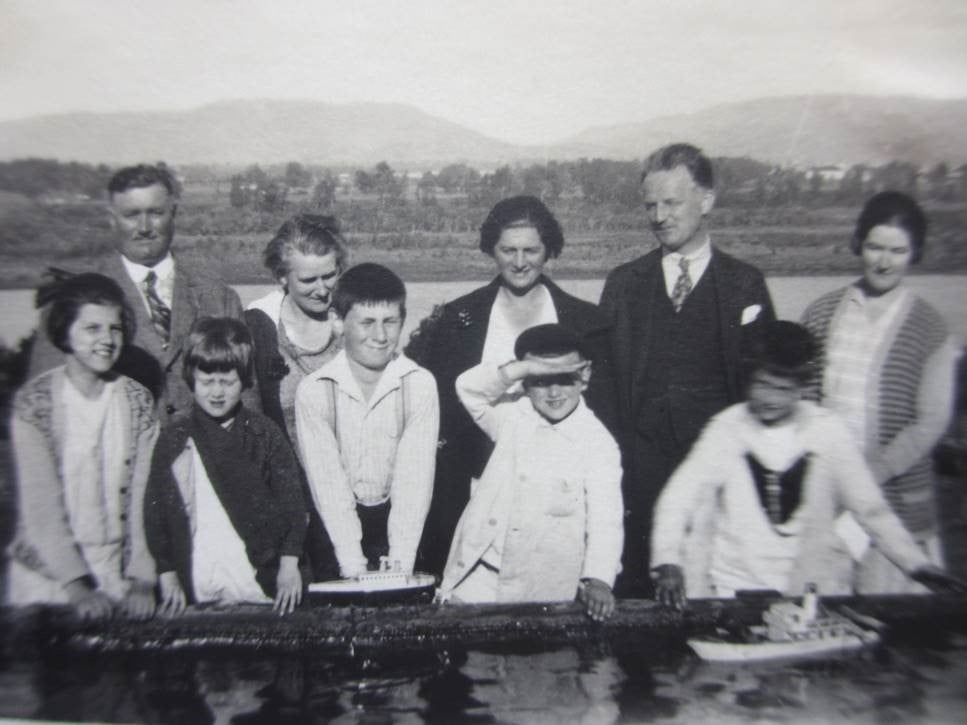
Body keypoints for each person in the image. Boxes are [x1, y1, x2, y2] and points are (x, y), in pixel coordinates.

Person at [650, 321, 961, 608]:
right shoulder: (725, 429)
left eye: (783, 389)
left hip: (809, 591)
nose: (770, 398)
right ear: (747, 378)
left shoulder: (828, 431)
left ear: (802, 388)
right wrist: (668, 561)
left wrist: (916, 564)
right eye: (762, 384)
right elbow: (678, 499)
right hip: (732, 586)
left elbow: (869, 508)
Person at [405, 195, 616, 576]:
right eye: (508, 250)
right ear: (492, 249)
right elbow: (446, 411)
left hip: (558, 495)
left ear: (548, 249)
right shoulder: (458, 318)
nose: (519, 262)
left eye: (531, 250)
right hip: (477, 487)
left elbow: (601, 415)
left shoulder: (586, 321)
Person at [599, 143, 776, 596]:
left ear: (707, 200)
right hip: (639, 482)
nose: (659, 216)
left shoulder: (744, 284)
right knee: (639, 602)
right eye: (650, 205)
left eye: (672, 203)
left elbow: (761, 391)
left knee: (713, 596)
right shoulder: (623, 284)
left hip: (717, 480)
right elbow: (607, 389)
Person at [800, 191, 960, 594]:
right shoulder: (820, 313)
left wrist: (868, 475)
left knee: (892, 620)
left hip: (896, 506)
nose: (884, 261)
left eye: (897, 250)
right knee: (822, 614)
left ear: (914, 253)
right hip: (829, 503)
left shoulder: (929, 328)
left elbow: (931, 422)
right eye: (875, 247)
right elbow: (806, 403)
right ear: (858, 243)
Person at [28, 163, 256, 422]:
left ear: (173, 214)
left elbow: (247, 395)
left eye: (156, 213)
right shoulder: (73, 297)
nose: (144, 227)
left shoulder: (218, 296)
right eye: (131, 214)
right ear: (112, 219)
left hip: (208, 447)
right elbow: (42, 402)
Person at [437, 324, 623, 621]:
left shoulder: (598, 443)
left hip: (541, 586)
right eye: (540, 380)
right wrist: (520, 368)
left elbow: (606, 521)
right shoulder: (512, 415)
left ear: (585, 375)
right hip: (478, 576)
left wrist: (599, 580)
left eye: (565, 379)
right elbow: (468, 389)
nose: (553, 392)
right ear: (525, 382)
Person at [6, 273, 158, 620]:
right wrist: (76, 587)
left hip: (117, 577)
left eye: (115, 328)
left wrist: (142, 580)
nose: (106, 339)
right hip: (48, 581)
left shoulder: (137, 400)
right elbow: (41, 510)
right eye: (92, 328)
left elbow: (145, 496)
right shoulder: (35, 403)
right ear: (65, 331)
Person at [144, 317, 307, 615]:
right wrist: (167, 574)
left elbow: (293, 503)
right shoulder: (175, 438)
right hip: (198, 575)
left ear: (244, 381)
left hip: (259, 577)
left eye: (227, 382)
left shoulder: (264, 433)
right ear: (191, 379)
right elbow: (156, 514)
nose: (217, 393)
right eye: (207, 382)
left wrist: (289, 564)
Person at [295, 263, 439, 577]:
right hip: (334, 528)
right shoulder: (314, 391)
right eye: (367, 323)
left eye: (390, 322)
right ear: (337, 322)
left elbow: (413, 485)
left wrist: (400, 568)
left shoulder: (420, 384)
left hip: (402, 527)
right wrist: (353, 570)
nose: (380, 336)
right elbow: (329, 488)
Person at [245, 214, 346, 441]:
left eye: (329, 276)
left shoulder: (356, 318)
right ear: (282, 276)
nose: (322, 290)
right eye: (308, 280)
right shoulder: (258, 327)